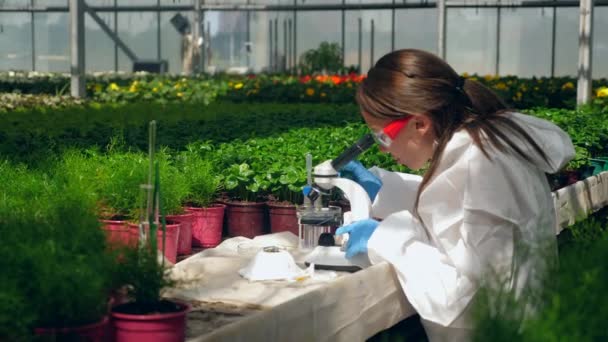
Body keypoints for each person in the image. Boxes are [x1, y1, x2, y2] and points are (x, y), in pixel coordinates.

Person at [334, 49, 575, 341]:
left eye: (381, 136)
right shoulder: (482, 142)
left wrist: (384, 239)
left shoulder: (480, 165)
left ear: (420, 123)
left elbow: (465, 297)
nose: (383, 149)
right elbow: (458, 209)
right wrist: (383, 189)